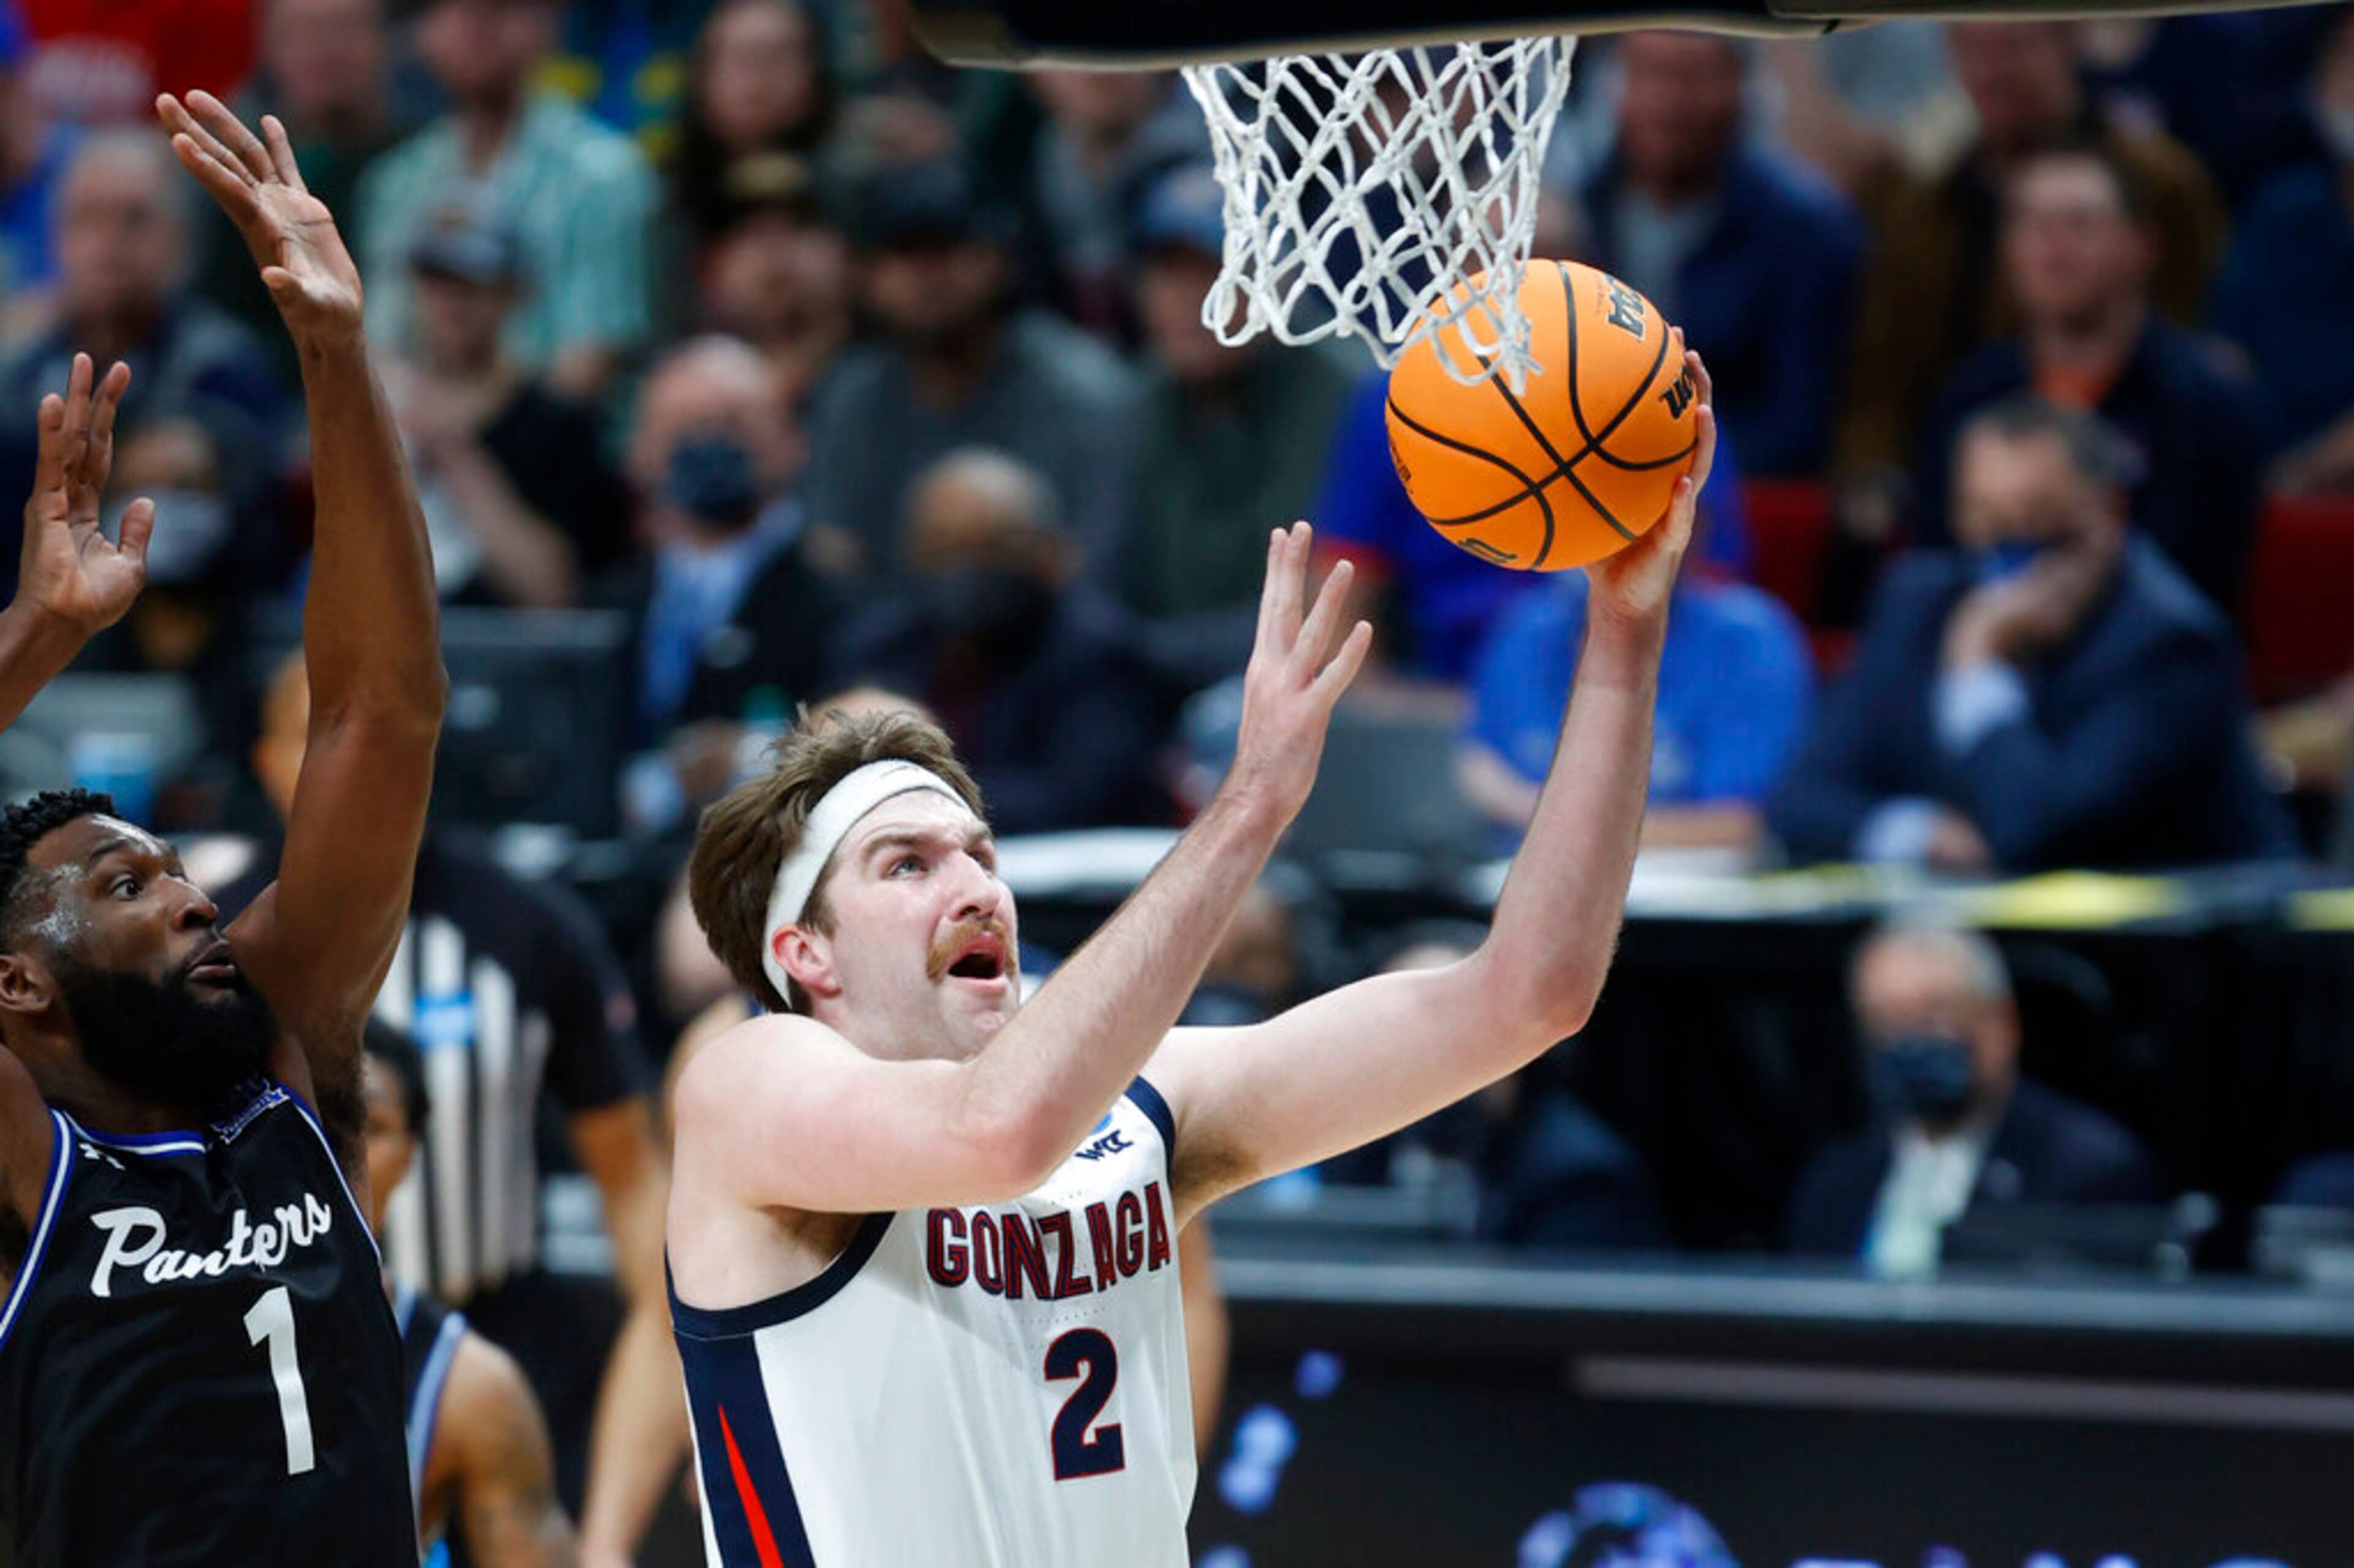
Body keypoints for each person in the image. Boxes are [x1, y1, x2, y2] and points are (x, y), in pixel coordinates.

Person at [663, 352, 1716, 1563]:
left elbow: (1529, 993)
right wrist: (1250, 807)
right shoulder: (748, 1087)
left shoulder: (1143, 1107)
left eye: (979, 851)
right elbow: (991, 1136)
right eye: (906, 865)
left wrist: (1624, 641)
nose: (971, 883)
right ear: (807, 954)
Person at [0, 89, 444, 1564]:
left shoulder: (287, 1063)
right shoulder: (27, 1157)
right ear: (19, 983)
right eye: (124, 884)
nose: (193, 899)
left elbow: (380, 712)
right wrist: (37, 640)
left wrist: (333, 348)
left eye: (178, 870)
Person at [230, 649, 674, 1543]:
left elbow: (634, 1184)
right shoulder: (212, 933)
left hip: (503, 1335)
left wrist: (684, 1360)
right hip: (275, 1349)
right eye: (322, 735)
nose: (355, 763)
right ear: (270, 763)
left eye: (378, 737)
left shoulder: (530, 924)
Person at [1766, 397, 2293, 873]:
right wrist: (1923, 834)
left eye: (2035, 524)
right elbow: (1800, 799)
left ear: (2106, 514)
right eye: (1983, 521)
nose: (2005, 561)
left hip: (2176, 964)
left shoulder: (2170, 645)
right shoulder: (1916, 602)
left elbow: (2038, 835)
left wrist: (1977, 669)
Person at [1837, 21, 2226, 481]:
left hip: (2129, 452)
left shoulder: (2162, 183)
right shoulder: (1915, 196)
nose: (1993, 71)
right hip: (1952, 466)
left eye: (2014, 48)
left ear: (2068, 43)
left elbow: (2197, 331)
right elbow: (1882, 375)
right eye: (1973, 49)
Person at [1911, 145, 2265, 613]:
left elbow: (2207, 582)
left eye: (2080, 223)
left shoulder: (2207, 401)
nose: (2053, 246)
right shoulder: (1969, 395)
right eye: (2031, 224)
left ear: (2141, 245)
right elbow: (1942, 555)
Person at [802, 156, 1139, 586]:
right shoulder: (855, 396)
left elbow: (1095, 575)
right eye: (904, 252)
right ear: (866, 275)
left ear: (1001, 260)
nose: (927, 276)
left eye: (947, 249)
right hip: (893, 647)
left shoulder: (1085, 392)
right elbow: (832, 561)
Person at [1786, 919, 2164, 1276]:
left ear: (2002, 1024)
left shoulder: (2088, 1171)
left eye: (1933, 1016)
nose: (1907, 1042)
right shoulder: (1833, 1185)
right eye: (1884, 1023)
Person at [0, 129, 289, 584]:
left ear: (183, 240)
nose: (108, 241)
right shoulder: (20, 368)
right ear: (57, 238)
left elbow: (251, 504)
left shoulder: (226, 365)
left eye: (135, 219)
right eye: (88, 218)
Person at [1116, 164, 1360, 693]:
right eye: (1168, 274)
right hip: (1152, 681)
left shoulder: (1345, 398)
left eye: (1215, 271)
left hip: (1314, 686)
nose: (1192, 301)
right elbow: (1105, 583)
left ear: (1281, 278)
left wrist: (1146, 652)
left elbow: (1325, 612)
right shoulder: (1138, 401)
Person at [836, 447, 1170, 833]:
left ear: (1050, 552)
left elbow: (1081, 798)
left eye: (991, 547)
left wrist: (910, 799)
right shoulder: (880, 646)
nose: (964, 571)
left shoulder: (1099, 653)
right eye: (943, 549)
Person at [1578, 31, 1863, 477]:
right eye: (1648, 72)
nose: (1667, 100)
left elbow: (1798, 427)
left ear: (1740, 86)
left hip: (1741, 507)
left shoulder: (1807, 229)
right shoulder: (1580, 210)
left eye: (1690, 77)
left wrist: (1652, 461)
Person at [598, 335, 846, 839]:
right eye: (686, 428)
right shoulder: (605, 602)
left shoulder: (839, 596)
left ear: (789, 441)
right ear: (641, 452)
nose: (709, 444)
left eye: (733, 424)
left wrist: (750, 753)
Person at [356, 0, 660, 402]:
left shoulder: (605, 174)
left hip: (549, 442)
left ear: (548, 25)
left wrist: (466, 434)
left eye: (502, 7)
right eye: (453, 8)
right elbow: (380, 344)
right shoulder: (394, 181)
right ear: (423, 33)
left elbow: (590, 361)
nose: (476, 22)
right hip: (411, 436)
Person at [1459, 519, 1811, 856]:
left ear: (1693, 525)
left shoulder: (1748, 639)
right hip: (1516, 877)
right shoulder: (1531, 625)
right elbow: (1477, 770)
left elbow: (1734, 827)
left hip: (1687, 894)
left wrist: (1535, 815)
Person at [360, 1021, 574, 1567]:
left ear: (410, 1156)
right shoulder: (176, 1322)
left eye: (370, 1125)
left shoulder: (472, 1388)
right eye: (316, 1116)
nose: (342, 1150)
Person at [379, 196, 631, 608]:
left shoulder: (559, 423)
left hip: (504, 653)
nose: (452, 301)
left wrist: (454, 453)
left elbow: (551, 592)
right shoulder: (374, 408)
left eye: (473, 281)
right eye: (437, 279)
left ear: (514, 292)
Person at [2210, 6, 2354, 497]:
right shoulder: (2283, 210)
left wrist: (2299, 475)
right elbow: (2225, 355)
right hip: (2268, 500)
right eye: (2350, 61)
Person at [693, 151, 854, 416]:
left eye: (798, 225)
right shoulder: (687, 399)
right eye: (750, 231)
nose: (775, 247)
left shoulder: (904, 387)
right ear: (709, 268)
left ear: (848, 260)